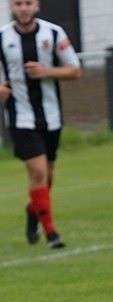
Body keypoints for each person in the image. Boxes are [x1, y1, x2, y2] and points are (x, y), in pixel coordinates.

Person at [0, 0, 81, 248]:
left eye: (28, 3)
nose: (23, 8)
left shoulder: (53, 33)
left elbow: (75, 70)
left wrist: (46, 72)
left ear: (37, 6)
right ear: (11, 8)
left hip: (51, 116)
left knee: (46, 179)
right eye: (18, 4)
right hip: (20, 118)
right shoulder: (2, 37)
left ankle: (32, 209)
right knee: (37, 172)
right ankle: (52, 234)